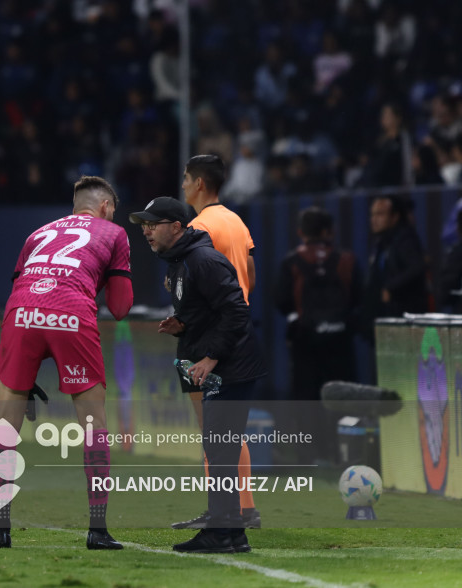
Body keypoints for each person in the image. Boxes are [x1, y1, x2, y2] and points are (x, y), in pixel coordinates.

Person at [0, 176, 133, 550]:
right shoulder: (113, 233)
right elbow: (120, 308)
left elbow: (18, 284)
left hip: (20, 314)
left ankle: (0, 529)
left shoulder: (38, 232)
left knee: (6, 427)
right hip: (71, 314)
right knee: (94, 427)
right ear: (104, 207)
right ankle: (97, 530)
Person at [130, 196, 265, 554]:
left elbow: (237, 312)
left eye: (153, 223)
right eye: (144, 223)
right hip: (226, 365)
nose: (146, 230)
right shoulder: (179, 261)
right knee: (218, 448)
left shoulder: (201, 260)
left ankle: (222, 532)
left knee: (219, 449)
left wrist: (210, 358)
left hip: (232, 367)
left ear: (177, 227)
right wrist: (183, 325)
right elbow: (212, 312)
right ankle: (232, 532)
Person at [172, 154, 260, 531]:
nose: (183, 185)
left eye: (186, 179)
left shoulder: (199, 226)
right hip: (236, 333)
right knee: (228, 430)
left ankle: (225, 513)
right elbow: (250, 274)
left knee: (213, 430)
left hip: (208, 337)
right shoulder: (236, 221)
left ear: (200, 184)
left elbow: (194, 280)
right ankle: (243, 507)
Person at [275, 207, 362, 464]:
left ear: (301, 232)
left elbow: (281, 301)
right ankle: (344, 452)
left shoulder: (291, 262)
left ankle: (309, 454)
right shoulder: (347, 260)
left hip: (305, 342)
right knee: (343, 397)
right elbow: (358, 296)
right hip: (341, 341)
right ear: (329, 232)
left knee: (306, 399)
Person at [360, 195, 428, 342]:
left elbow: (417, 267)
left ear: (395, 217)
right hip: (386, 319)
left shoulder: (405, 239)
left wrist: (390, 288)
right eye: (372, 214)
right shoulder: (382, 242)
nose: (374, 219)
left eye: (380, 214)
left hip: (406, 320)